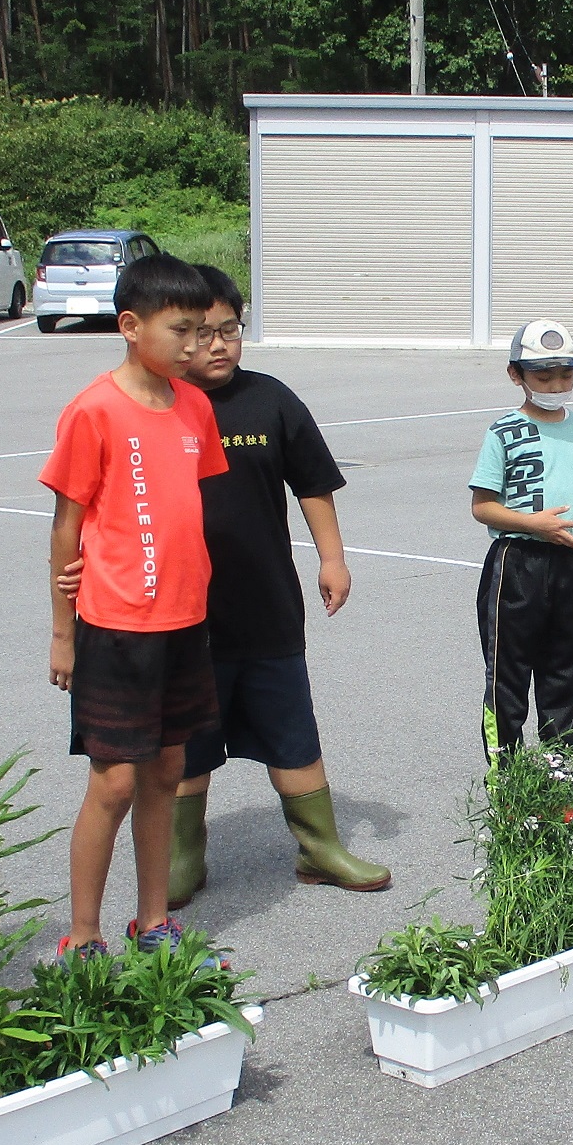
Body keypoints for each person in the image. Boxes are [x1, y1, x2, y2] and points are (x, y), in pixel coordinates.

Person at [160, 265, 388, 898]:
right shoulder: (159, 403)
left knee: (293, 736)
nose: (218, 344)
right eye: (202, 332)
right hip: (182, 613)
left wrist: (333, 559)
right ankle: (180, 858)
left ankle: (320, 849)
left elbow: (313, 483)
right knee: (186, 745)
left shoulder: (271, 399)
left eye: (230, 329)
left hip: (266, 604)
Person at [42, 254, 226, 957]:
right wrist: (63, 634)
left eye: (202, 330)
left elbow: (188, 506)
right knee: (114, 782)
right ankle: (83, 934)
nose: (194, 345)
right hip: (116, 625)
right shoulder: (94, 409)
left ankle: (153, 922)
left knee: (166, 773)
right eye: (180, 330)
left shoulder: (196, 407)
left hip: (184, 621)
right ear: (130, 325)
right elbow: (65, 525)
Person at [471, 319, 573, 763]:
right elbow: (482, 507)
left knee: (562, 668)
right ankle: (507, 772)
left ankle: (558, 765)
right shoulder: (503, 431)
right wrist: (534, 525)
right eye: (544, 376)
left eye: (566, 375)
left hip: (571, 561)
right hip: (518, 562)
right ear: (516, 375)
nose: (556, 385)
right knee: (508, 672)